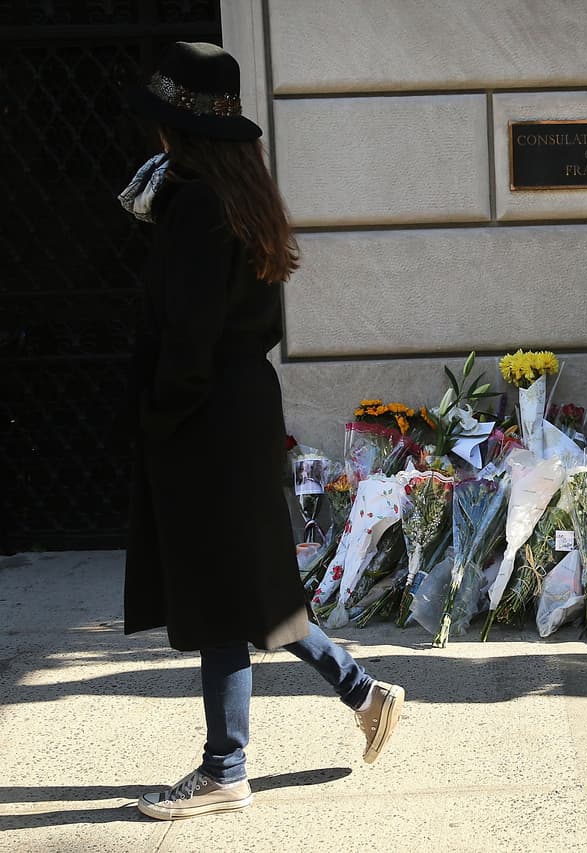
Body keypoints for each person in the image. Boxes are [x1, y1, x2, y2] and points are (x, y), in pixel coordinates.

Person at [121, 42, 405, 820]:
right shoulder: (244, 197)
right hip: (241, 404)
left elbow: (186, 333)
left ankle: (225, 768)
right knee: (252, 587)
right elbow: (258, 324)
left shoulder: (195, 203)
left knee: (221, 594)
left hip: (206, 413)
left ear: (176, 131)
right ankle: (362, 690)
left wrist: (161, 413)